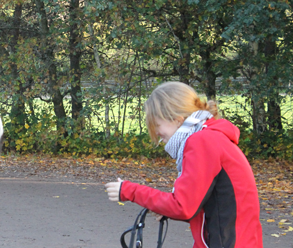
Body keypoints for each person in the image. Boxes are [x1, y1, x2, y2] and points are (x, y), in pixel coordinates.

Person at [105, 81, 263, 248]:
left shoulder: (202, 141)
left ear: (177, 120)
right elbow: (200, 203)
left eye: (156, 125)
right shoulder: (212, 137)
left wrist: (130, 191)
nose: (157, 133)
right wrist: (162, 208)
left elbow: (183, 206)